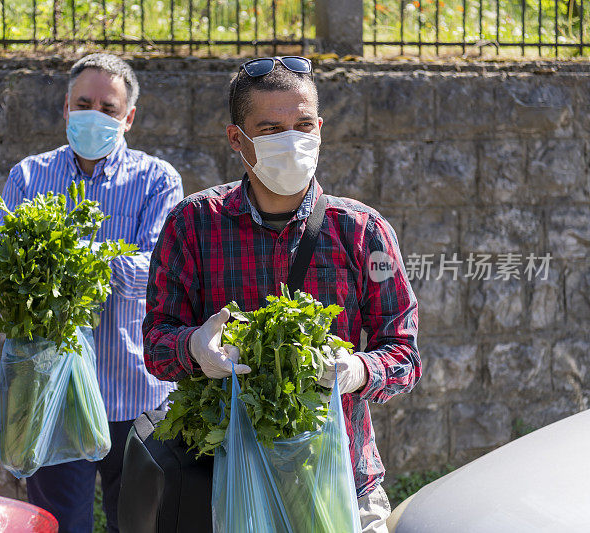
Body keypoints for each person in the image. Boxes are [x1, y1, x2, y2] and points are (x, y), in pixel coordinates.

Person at [142, 56, 420, 533]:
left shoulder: (360, 230)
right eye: (270, 129)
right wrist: (195, 349)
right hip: (230, 486)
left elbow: (405, 355)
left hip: (342, 482)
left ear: (320, 129)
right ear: (237, 139)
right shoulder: (194, 224)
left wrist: (356, 370)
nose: (291, 140)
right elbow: (155, 344)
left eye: (302, 125)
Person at [0, 53, 184, 533]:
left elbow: (156, 273)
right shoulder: (29, 178)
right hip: (52, 395)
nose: (95, 115)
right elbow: (1, 280)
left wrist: (72, 260)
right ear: (66, 108)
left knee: (141, 526)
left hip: (135, 394)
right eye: (85, 103)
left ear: (129, 117)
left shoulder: (157, 181)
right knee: (60, 525)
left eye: (108, 107)